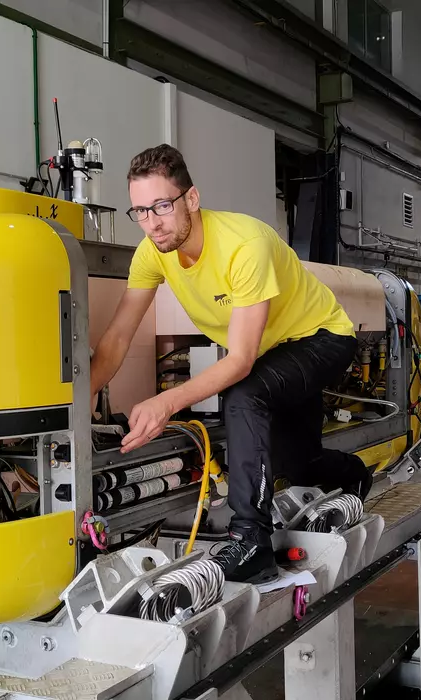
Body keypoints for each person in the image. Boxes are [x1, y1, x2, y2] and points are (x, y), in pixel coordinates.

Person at [90, 144, 364, 584]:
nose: (152, 223)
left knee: (244, 393)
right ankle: (355, 478)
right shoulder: (151, 252)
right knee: (297, 463)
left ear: (191, 199)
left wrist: (165, 402)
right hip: (278, 353)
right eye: (139, 211)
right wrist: (80, 399)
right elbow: (118, 336)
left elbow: (239, 361)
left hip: (324, 338)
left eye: (161, 205)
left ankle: (251, 541)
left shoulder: (244, 244)